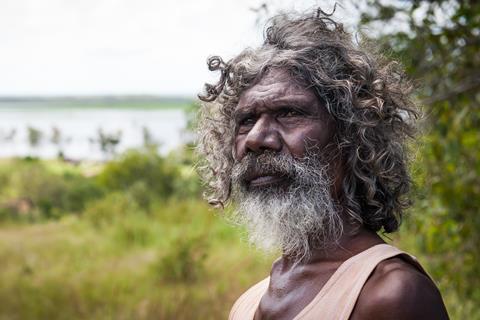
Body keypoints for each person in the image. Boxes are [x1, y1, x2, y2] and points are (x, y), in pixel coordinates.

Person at [197, 9, 449, 320]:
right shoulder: (249, 302)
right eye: (246, 121)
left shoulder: (391, 295)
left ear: (352, 133)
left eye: (288, 113)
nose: (256, 138)